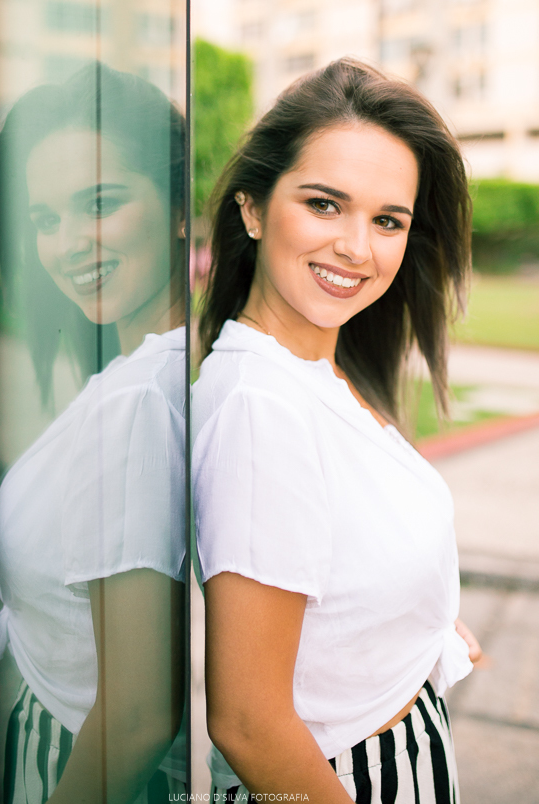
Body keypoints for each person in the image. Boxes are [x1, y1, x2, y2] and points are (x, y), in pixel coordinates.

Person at [192, 58, 483, 803]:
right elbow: (249, 724)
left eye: (388, 220)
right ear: (253, 209)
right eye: (325, 205)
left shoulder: (320, 374)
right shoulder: (265, 406)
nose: (359, 247)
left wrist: (423, 629)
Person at [0, 64, 187, 804]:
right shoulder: (165, 367)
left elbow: (136, 717)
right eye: (44, 219)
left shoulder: (136, 402)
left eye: (99, 204)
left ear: (175, 207)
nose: (68, 243)